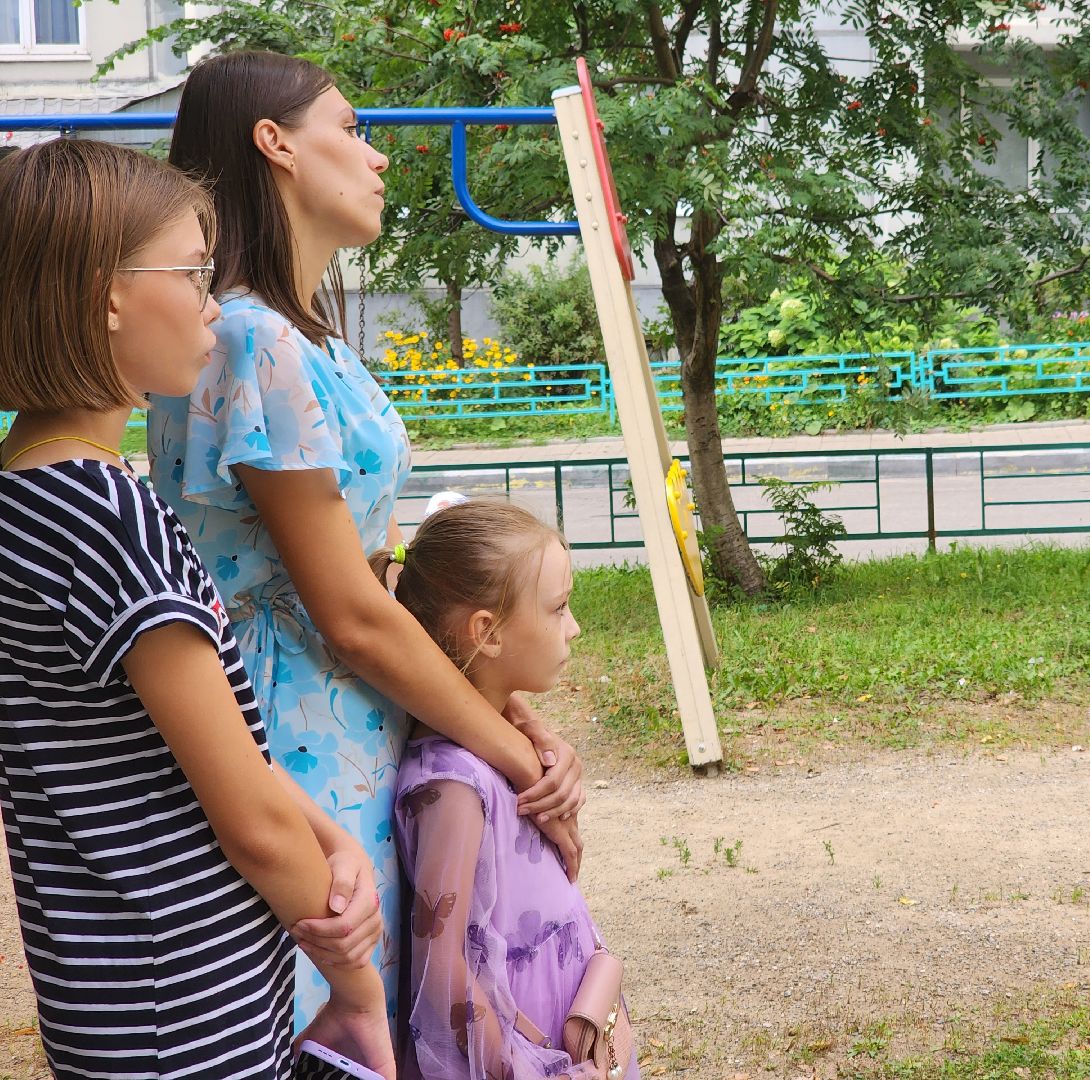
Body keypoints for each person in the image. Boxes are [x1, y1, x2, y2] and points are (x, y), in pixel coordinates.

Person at [148, 50, 586, 1029]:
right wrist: (518, 766)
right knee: (328, 1027)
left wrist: (508, 714)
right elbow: (349, 615)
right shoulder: (250, 340)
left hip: (352, 729)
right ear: (277, 146)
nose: (375, 155)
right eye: (350, 129)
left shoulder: (311, 344)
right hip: (289, 736)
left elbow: (377, 584)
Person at [0, 139, 393, 1076]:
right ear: (106, 295)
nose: (214, 305)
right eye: (192, 272)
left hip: (102, 992)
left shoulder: (23, 495)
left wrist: (326, 830)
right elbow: (250, 822)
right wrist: (356, 986)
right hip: (192, 1002)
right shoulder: (110, 518)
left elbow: (165, 756)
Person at [373, 500, 639, 1079]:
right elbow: (446, 979)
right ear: (486, 633)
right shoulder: (454, 786)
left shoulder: (504, 751)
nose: (575, 626)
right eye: (559, 608)